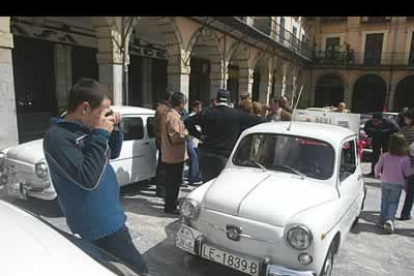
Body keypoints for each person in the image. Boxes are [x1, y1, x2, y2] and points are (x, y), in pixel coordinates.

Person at [43, 78, 148, 274]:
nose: (105, 117)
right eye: (102, 111)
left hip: (111, 212)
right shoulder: (58, 138)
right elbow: (88, 179)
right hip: (96, 221)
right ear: (84, 109)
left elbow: (112, 154)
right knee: (136, 269)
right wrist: (99, 134)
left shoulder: (89, 128)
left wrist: (114, 129)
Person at [185, 89, 265, 183]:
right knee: (222, 184)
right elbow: (260, 121)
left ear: (216, 100)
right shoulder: (236, 114)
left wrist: (199, 136)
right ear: (229, 101)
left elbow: (187, 121)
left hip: (207, 155)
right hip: (225, 157)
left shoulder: (207, 112)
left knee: (207, 185)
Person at [375, 133, 414, 234]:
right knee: (393, 202)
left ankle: (381, 220)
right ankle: (389, 220)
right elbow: (407, 172)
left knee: (384, 201)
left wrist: (377, 174)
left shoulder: (385, 156)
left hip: (385, 182)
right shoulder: (404, 158)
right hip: (397, 184)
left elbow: (378, 167)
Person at [160, 91, 188, 214]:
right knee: (173, 183)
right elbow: (176, 137)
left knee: (172, 182)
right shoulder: (173, 117)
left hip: (172, 155)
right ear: (181, 103)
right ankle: (170, 206)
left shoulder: (171, 115)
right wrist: (186, 133)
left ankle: (171, 202)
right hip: (173, 156)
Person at [364, 112, 399, 177]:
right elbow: (366, 130)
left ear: (381, 120)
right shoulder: (369, 123)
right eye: (373, 120)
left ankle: (384, 173)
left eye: (376, 121)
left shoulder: (388, 122)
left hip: (386, 139)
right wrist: (371, 134)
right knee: (375, 155)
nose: (374, 123)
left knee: (385, 156)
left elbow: (396, 129)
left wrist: (385, 132)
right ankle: (373, 172)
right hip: (376, 139)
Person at [154, 90, 173, 197]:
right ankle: (161, 189)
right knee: (163, 167)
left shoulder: (164, 109)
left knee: (164, 166)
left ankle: (162, 187)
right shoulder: (162, 110)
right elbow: (160, 128)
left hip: (163, 142)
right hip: (163, 143)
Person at [399, 108, 414, 220]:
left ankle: (405, 213)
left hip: (406, 162)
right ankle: (405, 213)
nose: (405, 119)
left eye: (406, 117)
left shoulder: (403, 129)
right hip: (408, 162)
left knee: (410, 191)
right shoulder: (403, 129)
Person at [187, 101, 203, 186]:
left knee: (196, 159)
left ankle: (193, 176)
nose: (200, 109)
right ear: (194, 108)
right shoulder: (191, 117)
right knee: (194, 159)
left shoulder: (198, 117)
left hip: (196, 141)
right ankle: (193, 178)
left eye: (200, 107)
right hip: (191, 140)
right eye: (198, 107)